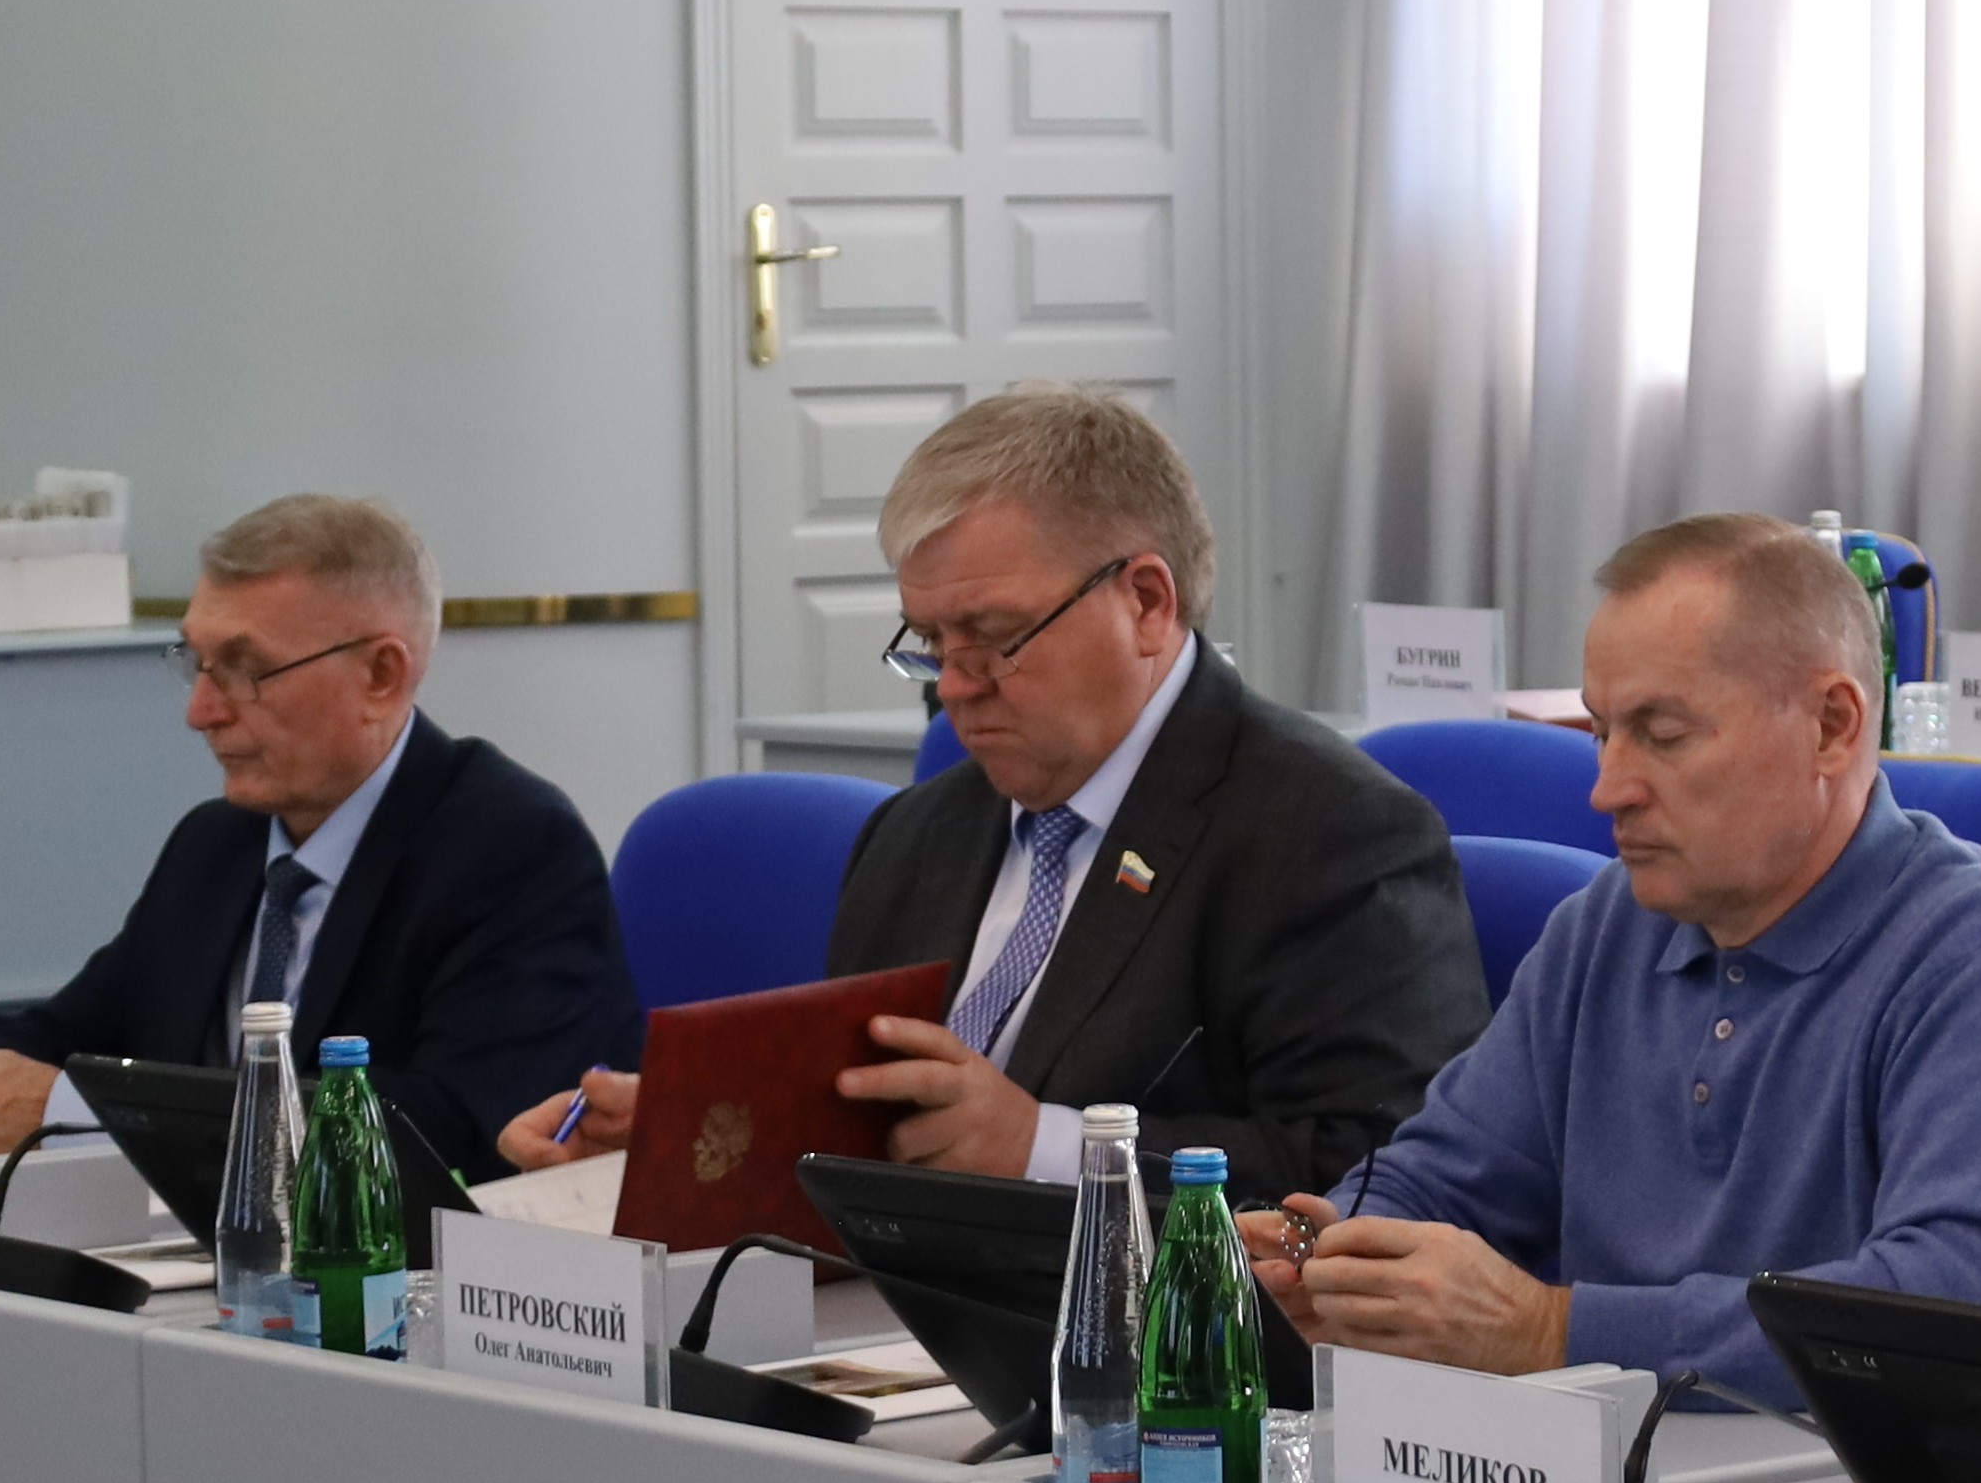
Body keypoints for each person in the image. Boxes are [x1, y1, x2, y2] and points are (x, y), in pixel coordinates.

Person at [1253, 513, 1981, 1409]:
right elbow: (1444, 1175)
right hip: (1635, 1474)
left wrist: (1554, 1332)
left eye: (1663, 735)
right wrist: (1337, 1253)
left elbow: (1959, 1308)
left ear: (1831, 726)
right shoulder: (1608, 925)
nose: (1608, 789)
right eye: (1602, 734)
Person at [492, 390, 1478, 1192]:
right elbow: (869, 1124)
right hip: (884, 1323)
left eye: (996, 638)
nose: (955, 687)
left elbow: (1381, 1174)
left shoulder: (1329, 836)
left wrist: (1045, 1147)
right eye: (930, 643)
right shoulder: (916, 834)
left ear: (1145, 601)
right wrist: (687, 1142)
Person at [0, 493, 634, 1166]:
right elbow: (68, 1036)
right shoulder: (215, 845)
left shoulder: (511, 848)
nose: (201, 712)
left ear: (380, 676)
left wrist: (84, 1113)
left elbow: (453, 1128)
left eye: (246, 671)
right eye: (196, 664)